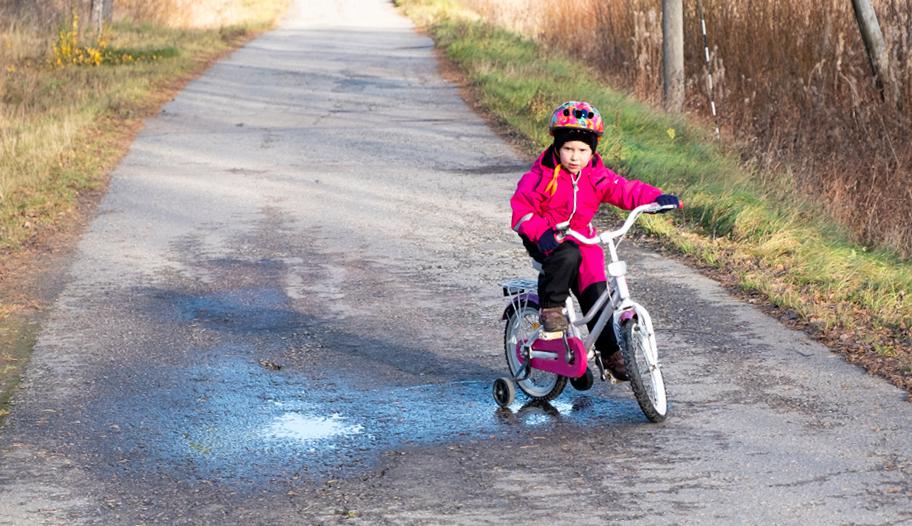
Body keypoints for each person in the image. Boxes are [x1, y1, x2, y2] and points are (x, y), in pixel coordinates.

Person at [509, 101, 680, 381]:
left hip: (581, 236)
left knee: (597, 293)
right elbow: (522, 212)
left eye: (582, 150)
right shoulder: (540, 176)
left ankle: (610, 352)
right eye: (568, 149)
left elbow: (625, 190)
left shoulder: (596, 176)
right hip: (547, 237)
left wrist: (655, 198)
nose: (575, 157)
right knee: (568, 256)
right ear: (556, 146)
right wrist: (542, 233)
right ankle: (552, 309)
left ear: (592, 151)